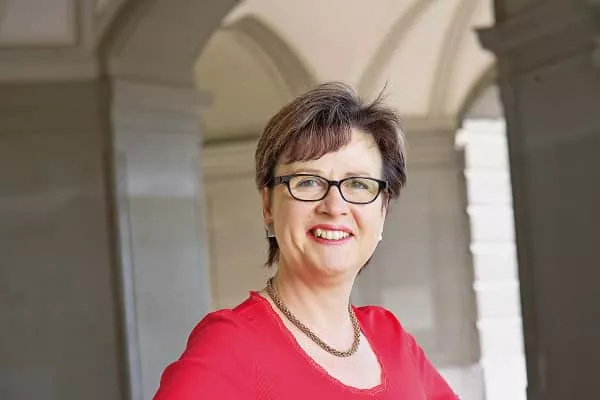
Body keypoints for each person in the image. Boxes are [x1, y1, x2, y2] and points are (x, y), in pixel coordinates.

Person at [153, 82, 458, 399]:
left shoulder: (391, 338)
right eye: (308, 181)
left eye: (358, 184)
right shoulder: (231, 346)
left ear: (382, 210)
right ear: (268, 206)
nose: (335, 206)